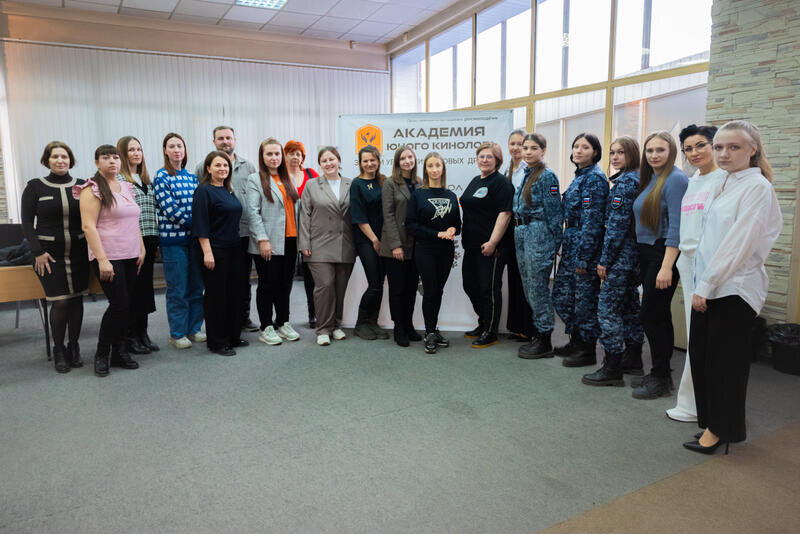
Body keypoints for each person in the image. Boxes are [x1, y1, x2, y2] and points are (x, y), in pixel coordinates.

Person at [684, 120, 781, 454]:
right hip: (711, 285)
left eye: (734, 147)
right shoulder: (723, 181)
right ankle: (712, 423)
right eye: (720, 147)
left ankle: (721, 430)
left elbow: (739, 243)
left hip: (733, 290)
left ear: (752, 150)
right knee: (703, 358)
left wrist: (707, 285)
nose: (724, 153)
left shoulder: (757, 187)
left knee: (725, 366)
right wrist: (703, 282)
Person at [666, 125, 726, 422]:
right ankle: (691, 404)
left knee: (709, 341)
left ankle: (707, 408)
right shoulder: (692, 182)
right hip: (687, 263)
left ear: (715, 145)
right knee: (694, 337)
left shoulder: (724, 180)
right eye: (688, 148)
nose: (694, 153)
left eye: (701, 145)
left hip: (711, 266)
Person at [74, 145, 145, 377]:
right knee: (119, 305)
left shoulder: (126, 186)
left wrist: (141, 247)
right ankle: (102, 354)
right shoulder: (91, 189)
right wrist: (102, 260)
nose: (112, 161)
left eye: (115, 157)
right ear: (97, 163)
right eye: (106, 158)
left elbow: (134, 221)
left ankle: (119, 352)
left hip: (131, 255)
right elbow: (88, 226)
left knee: (126, 306)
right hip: (108, 256)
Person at [20, 141, 89, 373]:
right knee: (60, 302)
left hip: (79, 253)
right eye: (55, 156)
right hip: (49, 256)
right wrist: (37, 252)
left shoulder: (82, 186)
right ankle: (59, 349)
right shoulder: (35, 187)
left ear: (71, 160)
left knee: (77, 300)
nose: (60, 160)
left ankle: (74, 346)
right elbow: (27, 222)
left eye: (64, 156)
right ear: (47, 160)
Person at [630, 131, 689, 399]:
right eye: (650, 150)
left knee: (651, 316)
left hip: (662, 253)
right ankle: (659, 373)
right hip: (647, 252)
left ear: (671, 152)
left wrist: (666, 267)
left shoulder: (676, 179)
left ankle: (662, 377)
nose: (654, 155)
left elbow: (677, 226)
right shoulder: (651, 178)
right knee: (658, 315)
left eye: (660, 150)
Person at [582, 136, 645, 385]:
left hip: (620, 256)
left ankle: (612, 367)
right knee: (629, 306)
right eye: (612, 153)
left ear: (632, 155)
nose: (615, 157)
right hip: (633, 255)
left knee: (607, 310)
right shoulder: (638, 179)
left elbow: (616, 227)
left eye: (621, 152)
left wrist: (604, 261)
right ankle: (634, 358)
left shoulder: (626, 183)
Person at [552, 133, 609, 367]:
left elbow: (592, 221)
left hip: (585, 248)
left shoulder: (595, 179)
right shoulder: (579, 177)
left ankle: (587, 349)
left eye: (585, 147)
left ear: (595, 152)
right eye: (576, 146)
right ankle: (575, 341)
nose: (578, 150)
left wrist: (585, 257)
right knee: (564, 296)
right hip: (572, 243)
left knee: (584, 301)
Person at [194, 126, 258, 333]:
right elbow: (201, 214)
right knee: (217, 290)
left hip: (240, 237)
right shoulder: (202, 176)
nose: (225, 141)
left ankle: (239, 323)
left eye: (228, 137)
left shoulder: (244, 171)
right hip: (216, 242)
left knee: (239, 284)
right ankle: (218, 334)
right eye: (220, 138)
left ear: (234, 140)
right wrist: (207, 250)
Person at [513, 133, 564, 360]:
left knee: (538, 288)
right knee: (528, 286)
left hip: (539, 234)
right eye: (525, 148)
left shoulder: (547, 176)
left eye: (533, 148)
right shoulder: (527, 173)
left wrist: (555, 243)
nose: (528, 152)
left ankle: (545, 339)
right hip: (522, 232)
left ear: (543, 150)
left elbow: (555, 213)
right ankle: (538, 333)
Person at [247, 139, 301, 346]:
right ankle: (266, 326)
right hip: (268, 242)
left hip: (290, 240)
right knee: (267, 285)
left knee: (285, 285)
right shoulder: (255, 179)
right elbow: (252, 212)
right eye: (269, 154)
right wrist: (262, 239)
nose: (274, 158)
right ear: (262, 157)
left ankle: (283, 321)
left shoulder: (288, 179)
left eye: (277, 154)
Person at [299, 147, 356, 346]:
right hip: (318, 244)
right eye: (324, 161)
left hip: (345, 244)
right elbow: (304, 215)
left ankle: (336, 325)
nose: (329, 163)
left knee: (340, 287)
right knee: (324, 286)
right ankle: (323, 328)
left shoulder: (351, 184)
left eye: (332, 159)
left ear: (339, 161)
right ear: (320, 164)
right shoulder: (312, 185)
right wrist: (304, 243)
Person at [192, 151, 247, 356]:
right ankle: (217, 341)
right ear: (208, 168)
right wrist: (207, 253)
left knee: (233, 294)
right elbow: (200, 224)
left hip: (234, 249)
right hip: (214, 250)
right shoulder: (203, 191)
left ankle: (232, 336)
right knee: (216, 297)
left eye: (225, 165)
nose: (222, 169)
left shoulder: (227, 190)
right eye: (217, 165)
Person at [460, 142, 514, 348]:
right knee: (470, 285)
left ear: (497, 160)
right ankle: (483, 321)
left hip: (491, 247)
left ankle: (491, 331)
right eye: (481, 156)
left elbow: (505, 213)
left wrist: (493, 242)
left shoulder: (501, 183)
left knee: (488, 289)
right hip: (471, 245)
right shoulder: (476, 180)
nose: (484, 160)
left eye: (489, 157)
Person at [154, 132, 205, 349]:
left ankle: (194, 328)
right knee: (178, 289)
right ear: (165, 151)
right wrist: (197, 225)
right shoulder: (161, 177)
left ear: (185, 150)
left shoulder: (192, 177)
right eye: (172, 146)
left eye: (180, 146)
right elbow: (170, 210)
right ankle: (177, 333)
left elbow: (199, 205)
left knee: (196, 286)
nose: (177, 150)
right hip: (173, 242)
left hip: (194, 241)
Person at [406, 153, 461, 354]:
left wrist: (453, 229)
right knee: (430, 291)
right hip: (425, 250)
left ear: (443, 168)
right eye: (430, 166)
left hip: (446, 251)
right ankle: (429, 332)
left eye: (438, 165)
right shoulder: (418, 195)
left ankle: (433, 328)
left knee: (438, 291)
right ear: (426, 169)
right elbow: (411, 225)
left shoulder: (451, 195)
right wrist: (437, 234)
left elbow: (458, 225)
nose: (435, 169)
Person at [117, 135, 159, 355]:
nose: (136, 153)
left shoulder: (146, 180)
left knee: (145, 290)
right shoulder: (119, 180)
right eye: (131, 150)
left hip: (150, 239)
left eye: (139, 149)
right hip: (132, 241)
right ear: (122, 154)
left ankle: (143, 334)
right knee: (133, 291)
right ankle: (130, 336)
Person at [380, 145, 421, 347]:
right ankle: (398, 327)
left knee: (411, 288)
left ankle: (409, 325)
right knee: (397, 289)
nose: (407, 161)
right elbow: (387, 215)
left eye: (410, 157)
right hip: (395, 246)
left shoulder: (420, 183)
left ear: (415, 160)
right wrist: (396, 245)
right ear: (397, 162)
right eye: (403, 158)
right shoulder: (390, 183)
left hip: (415, 245)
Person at [349, 145, 388, 340]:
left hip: (385, 240)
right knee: (374, 284)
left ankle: (373, 322)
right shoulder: (357, 184)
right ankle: (360, 324)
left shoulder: (384, 181)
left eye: (373, 160)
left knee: (380, 283)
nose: (369, 163)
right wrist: (374, 240)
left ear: (379, 161)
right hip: (366, 240)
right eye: (365, 160)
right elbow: (359, 217)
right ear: (360, 163)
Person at [504, 129, 535, 342]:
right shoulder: (507, 170)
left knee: (527, 280)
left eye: (520, 144)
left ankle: (529, 328)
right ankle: (516, 326)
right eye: (512, 144)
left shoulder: (530, 170)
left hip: (527, 229)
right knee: (514, 278)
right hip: (510, 229)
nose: (516, 148)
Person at [285, 139, 319, 328]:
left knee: (311, 276)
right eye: (291, 153)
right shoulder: (280, 177)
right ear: (285, 155)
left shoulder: (311, 174)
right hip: (288, 232)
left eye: (298, 154)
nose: (295, 157)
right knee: (286, 276)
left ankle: (313, 314)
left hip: (310, 232)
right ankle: (283, 318)